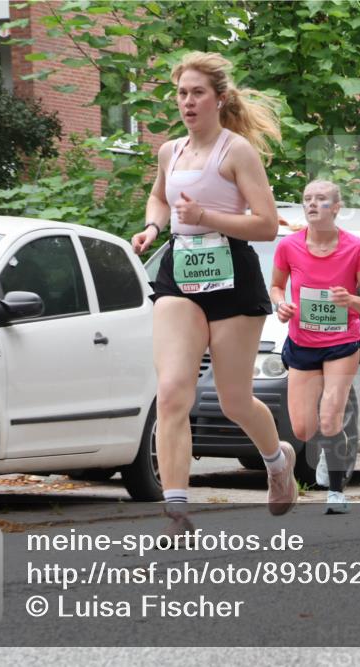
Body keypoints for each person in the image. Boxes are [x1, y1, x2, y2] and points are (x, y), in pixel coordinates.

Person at [131, 52, 296, 534]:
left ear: (219, 98)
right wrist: (151, 228)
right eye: (182, 93)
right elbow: (160, 196)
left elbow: (266, 225)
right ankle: (177, 511)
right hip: (180, 273)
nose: (187, 101)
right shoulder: (171, 151)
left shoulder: (236, 151)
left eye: (197, 92)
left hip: (233, 275)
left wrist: (208, 217)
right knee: (172, 391)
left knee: (233, 400)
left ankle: (276, 460)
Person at [270, 180, 360, 514]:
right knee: (303, 428)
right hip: (302, 343)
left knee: (330, 420)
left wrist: (351, 300)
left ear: (336, 207)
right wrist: (281, 305)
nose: (312, 204)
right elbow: (276, 286)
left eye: (320, 199)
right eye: (307, 199)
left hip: (342, 343)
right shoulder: (288, 247)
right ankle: (324, 446)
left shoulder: (356, 248)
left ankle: (335, 491)